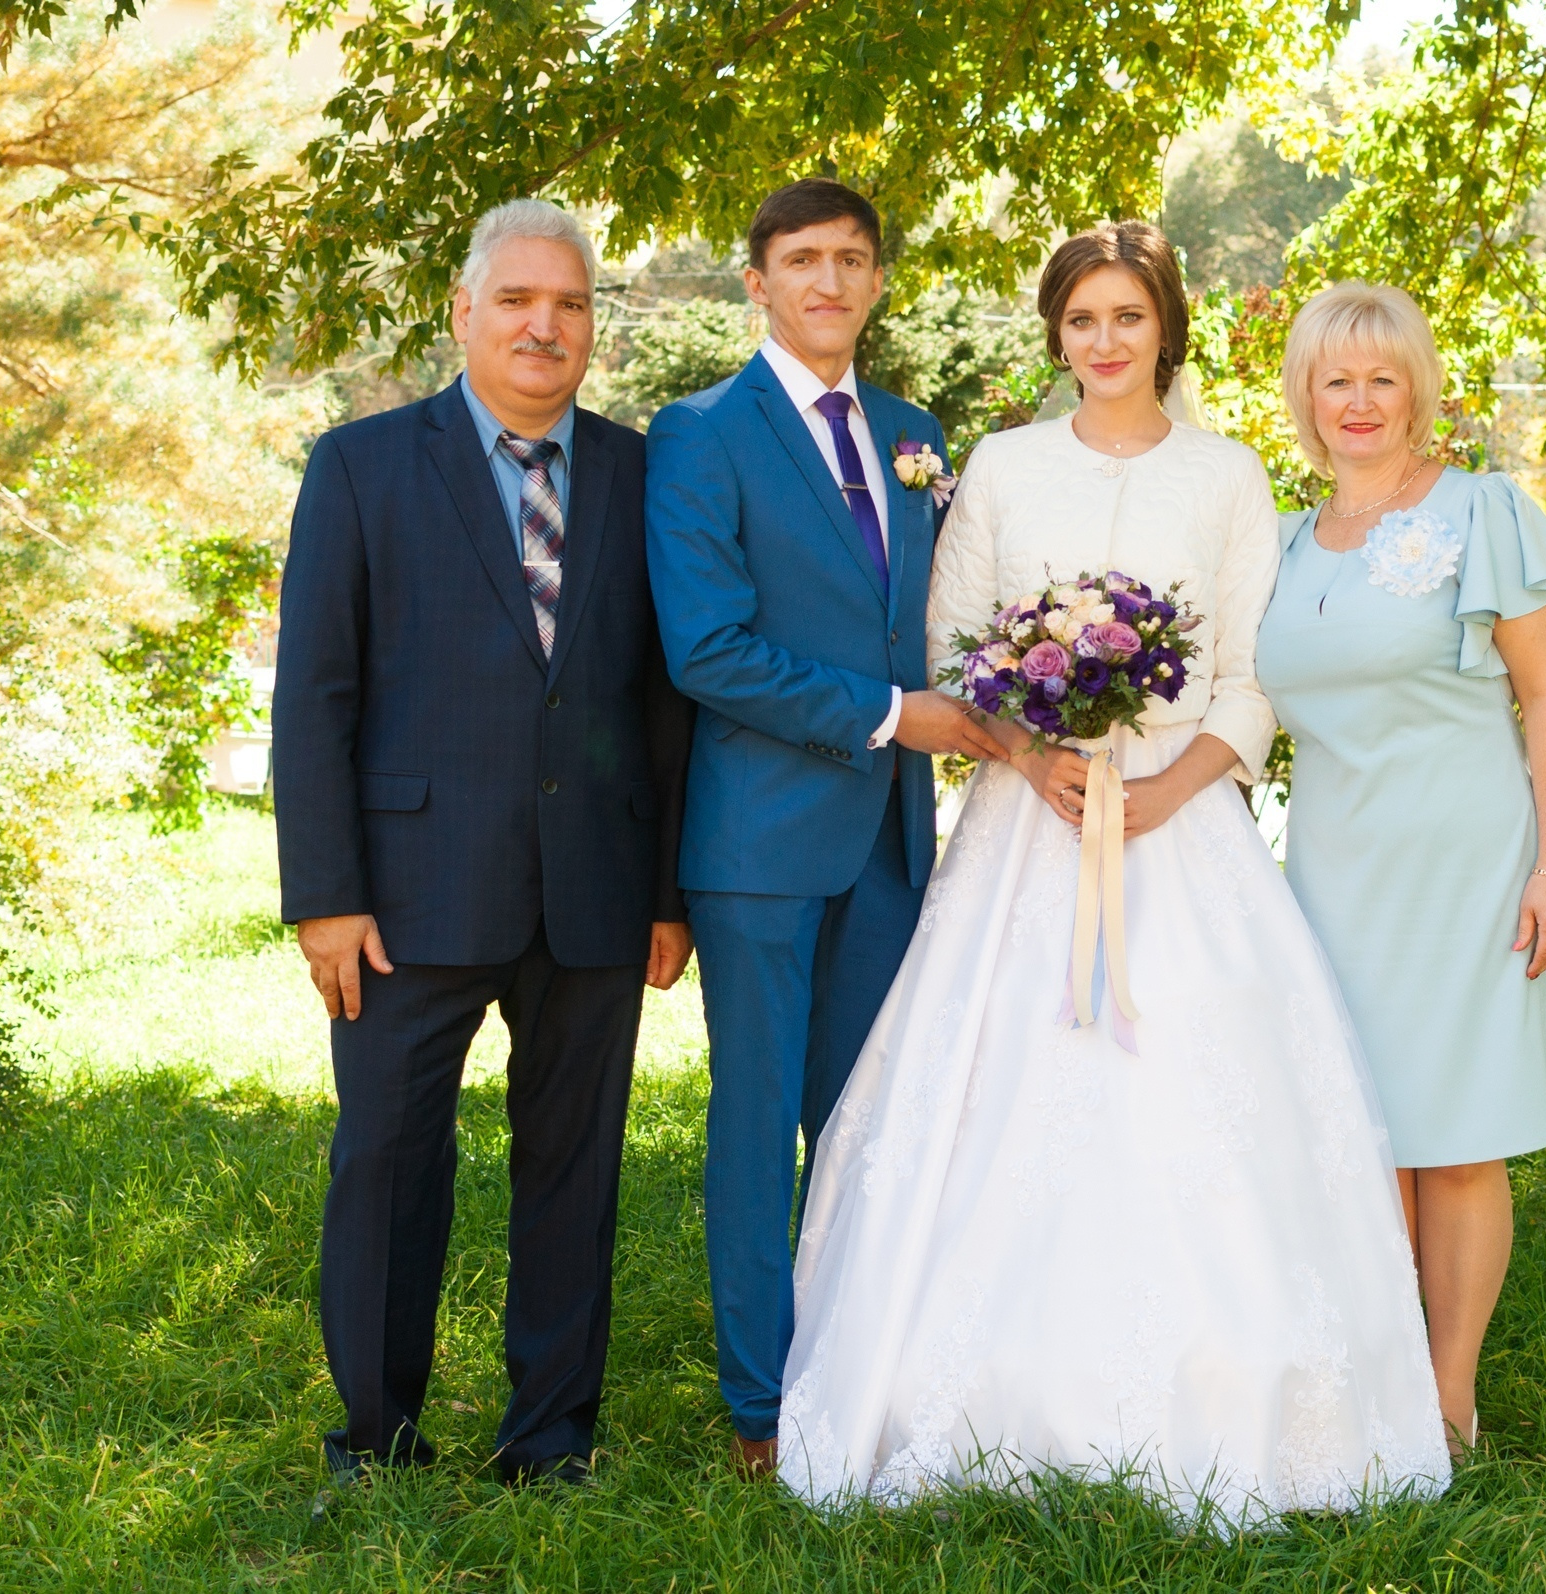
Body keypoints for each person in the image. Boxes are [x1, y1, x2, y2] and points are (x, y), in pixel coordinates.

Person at [773, 222, 1449, 1526]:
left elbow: (1251, 675)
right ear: (1056, 334)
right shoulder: (1007, 466)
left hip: (1183, 825)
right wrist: (1037, 759)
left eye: (1127, 318)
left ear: (1164, 329)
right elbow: (960, 644)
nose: (1104, 341)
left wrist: (1163, 790)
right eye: (1081, 319)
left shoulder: (1228, 474)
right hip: (1030, 828)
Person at [274, 199, 693, 1495]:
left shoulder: (639, 476)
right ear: (462, 314)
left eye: (567, 304)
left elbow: (663, 700)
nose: (541, 324)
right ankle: (376, 1435)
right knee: (388, 1162)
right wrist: (326, 896)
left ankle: (550, 1438)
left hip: (597, 894)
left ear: (591, 331)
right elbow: (316, 693)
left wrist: (668, 890)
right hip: (405, 895)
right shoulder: (360, 466)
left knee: (574, 1173)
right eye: (515, 299)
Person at [644, 178, 1007, 1476]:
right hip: (759, 850)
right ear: (757, 280)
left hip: (892, 849)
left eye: (853, 259)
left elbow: (950, 612)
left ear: (877, 280)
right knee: (757, 1131)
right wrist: (889, 716)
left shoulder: (916, 431)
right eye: (802, 260)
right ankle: (761, 1402)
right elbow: (709, 649)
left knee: (868, 1127)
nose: (829, 281)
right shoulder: (699, 436)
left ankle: (858, 1365)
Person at [1252, 280, 1546, 1460]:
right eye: (1335, 379)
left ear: (1418, 390)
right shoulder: (1284, 543)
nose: (1358, 401)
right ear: (1303, 395)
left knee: (1453, 1133)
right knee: (1359, 1127)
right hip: (1334, 871)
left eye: (1382, 377)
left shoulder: (1481, 513)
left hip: (1467, 860)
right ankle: (1380, 1375)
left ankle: (1448, 1397)